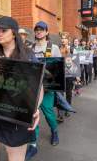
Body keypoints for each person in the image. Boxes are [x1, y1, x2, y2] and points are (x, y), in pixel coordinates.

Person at [0, 16, 43, 161]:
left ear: (14, 33)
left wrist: (34, 108)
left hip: (16, 118)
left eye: (3, 30)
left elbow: (39, 86)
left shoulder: (28, 56)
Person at [25, 21, 61, 161]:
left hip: (47, 88)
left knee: (49, 114)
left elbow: (59, 68)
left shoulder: (54, 48)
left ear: (47, 32)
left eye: (41, 29)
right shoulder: (30, 48)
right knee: (33, 116)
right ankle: (33, 145)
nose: (38, 32)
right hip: (33, 88)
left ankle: (54, 130)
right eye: (36, 29)